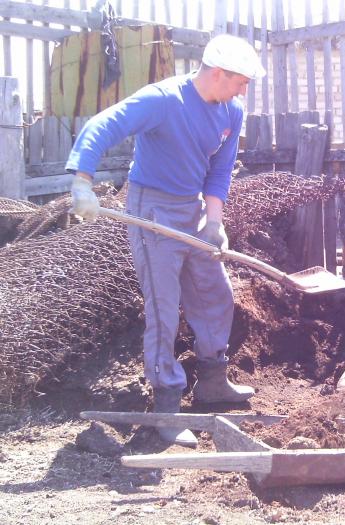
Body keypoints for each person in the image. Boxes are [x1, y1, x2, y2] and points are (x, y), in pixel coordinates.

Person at [66, 34, 266, 448]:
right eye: (241, 80)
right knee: (163, 308)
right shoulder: (163, 99)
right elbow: (102, 124)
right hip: (151, 209)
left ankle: (213, 382)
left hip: (193, 208)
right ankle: (167, 409)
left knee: (216, 292)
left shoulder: (232, 109)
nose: (245, 88)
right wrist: (82, 182)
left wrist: (214, 221)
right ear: (216, 73)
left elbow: (220, 169)